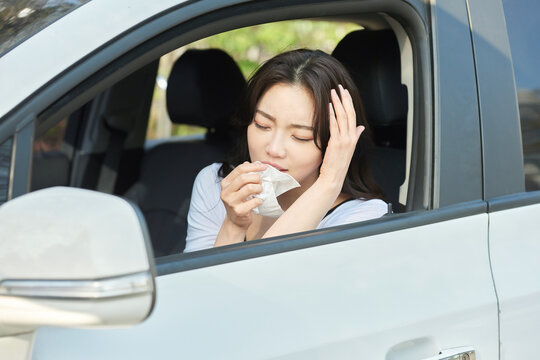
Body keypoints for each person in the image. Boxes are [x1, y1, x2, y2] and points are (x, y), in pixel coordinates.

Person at [184, 49, 387, 252]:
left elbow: (265, 276)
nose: (273, 149)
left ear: (336, 142)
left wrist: (329, 182)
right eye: (262, 125)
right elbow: (198, 284)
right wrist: (233, 225)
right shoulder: (216, 184)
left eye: (301, 136)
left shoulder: (361, 217)